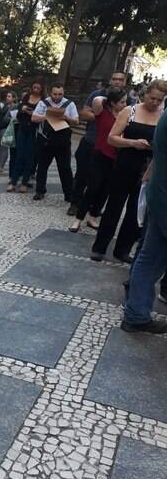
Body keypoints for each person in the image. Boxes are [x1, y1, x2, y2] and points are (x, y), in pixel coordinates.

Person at [91, 81, 165, 263]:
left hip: (147, 166)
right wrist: (132, 143)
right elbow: (112, 138)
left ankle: (122, 249)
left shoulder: (162, 116)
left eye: (159, 99)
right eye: (152, 98)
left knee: (135, 210)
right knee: (114, 206)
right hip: (125, 163)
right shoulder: (129, 111)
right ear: (144, 94)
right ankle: (99, 246)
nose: (154, 102)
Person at [121, 109, 167, 333]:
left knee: (150, 258)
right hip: (163, 197)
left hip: (160, 195)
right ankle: (135, 313)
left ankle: (136, 314)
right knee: (150, 259)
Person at [68, 71, 131, 217]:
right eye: (114, 79)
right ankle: (75, 203)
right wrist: (102, 117)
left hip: (112, 147)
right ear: (110, 80)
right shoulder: (98, 94)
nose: (117, 82)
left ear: (124, 82)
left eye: (120, 80)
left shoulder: (127, 101)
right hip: (91, 139)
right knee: (82, 174)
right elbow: (84, 113)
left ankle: (95, 209)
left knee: (104, 182)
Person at [32, 83, 79, 201]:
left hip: (62, 141)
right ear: (50, 93)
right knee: (42, 167)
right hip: (46, 140)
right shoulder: (43, 103)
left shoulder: (69, 104)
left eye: (60, 94)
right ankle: (40, 191)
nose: (57, 96)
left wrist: (66, 118)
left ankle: (68, 194)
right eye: (55, 94)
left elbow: (76, 121)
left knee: (65, 168)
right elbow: (34, 118)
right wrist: (48, 116)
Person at [7, 87, 42, 192]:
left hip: (34, 130)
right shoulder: (26, 98)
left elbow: (42, 116)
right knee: (19, 156)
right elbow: (18, 114)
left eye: (38, 87)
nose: (35, 89)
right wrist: (23, 110)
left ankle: (24, 182)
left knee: (29, 158)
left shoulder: (43, 100)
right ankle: (13, 181)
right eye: (34, 87)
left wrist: (32, 113)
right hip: (22, 129)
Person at [0, 91, 17, 172]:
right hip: (0, 128)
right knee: (0, 147)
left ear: (14, 98)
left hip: (6, 128)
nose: (7, 98)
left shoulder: (14, 107)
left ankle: (1, 165)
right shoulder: (5, 106)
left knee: (4, 148)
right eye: (7, 96)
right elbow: (0, 116)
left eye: (9, 96)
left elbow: (8, 119)